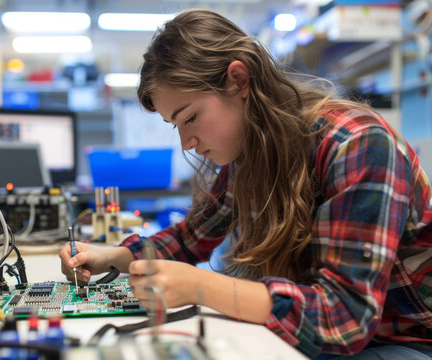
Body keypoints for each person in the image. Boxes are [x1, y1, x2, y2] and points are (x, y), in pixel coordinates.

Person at [59, 9, 432, 359]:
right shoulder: (251, 156)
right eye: (177, 125)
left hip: (406, 342)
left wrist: (200, 287)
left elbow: (344, 318)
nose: (186, 141)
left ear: (239, 80)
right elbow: (190, 239)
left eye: (190, 117)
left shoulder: (358, 143)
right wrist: (111, 256)